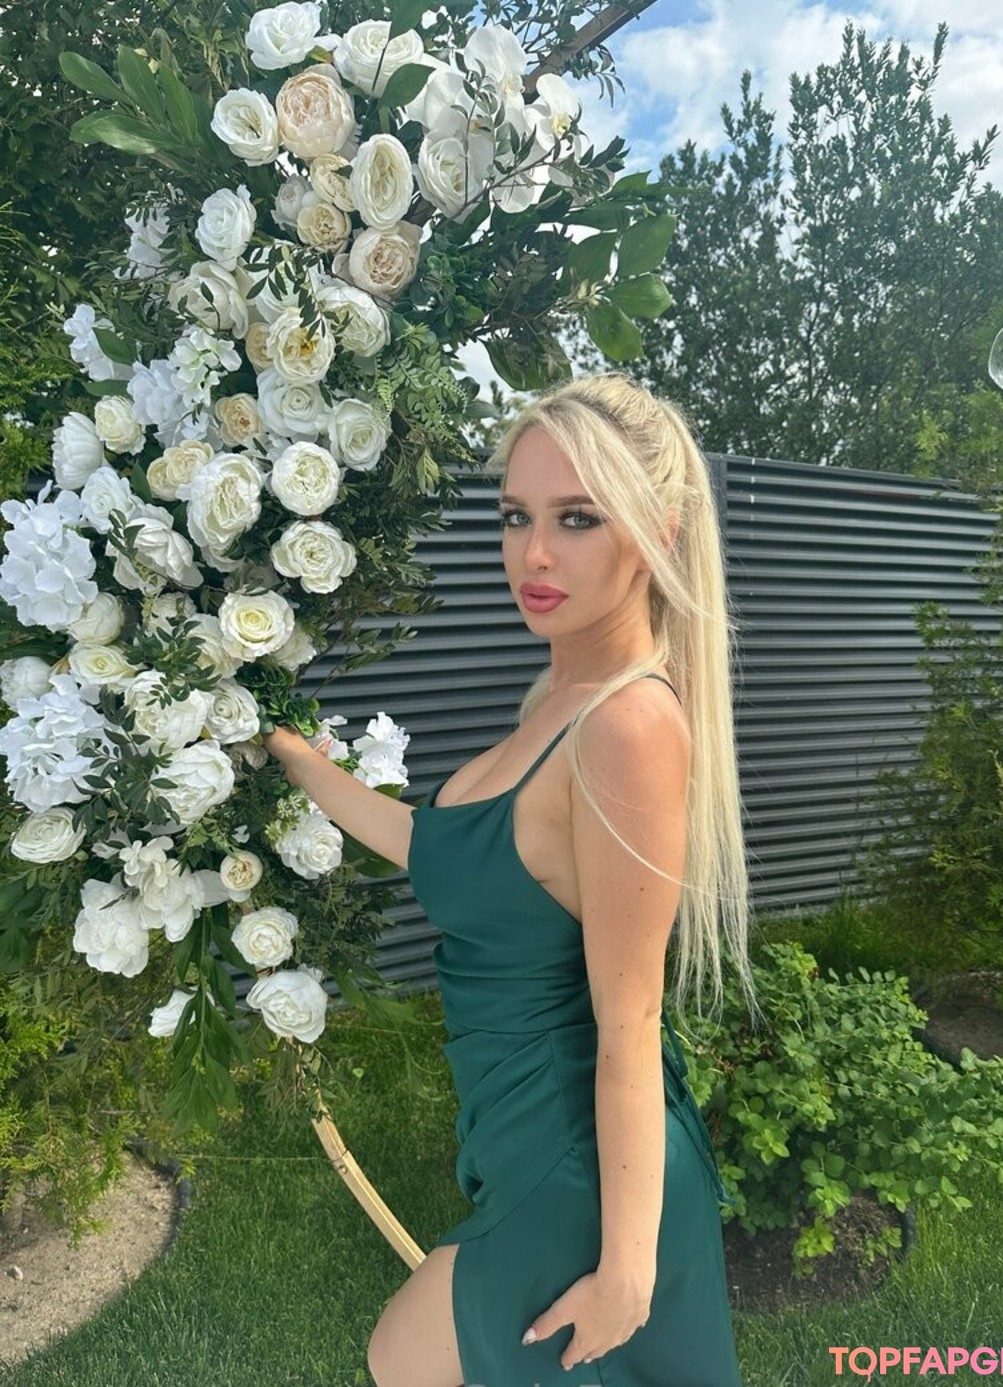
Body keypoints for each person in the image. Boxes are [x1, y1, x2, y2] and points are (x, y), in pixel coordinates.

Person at [264, 372, 762, 1387]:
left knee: (402, 1358)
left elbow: (629, 1021)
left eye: (577, 518)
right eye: (515, 515)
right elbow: (443, 848)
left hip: (575, 1174)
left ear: (657, 533)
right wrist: (293, 758)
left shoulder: (625, 724)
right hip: (522, 1146)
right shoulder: (558, 698)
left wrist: (627, 1273)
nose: (533, 554)